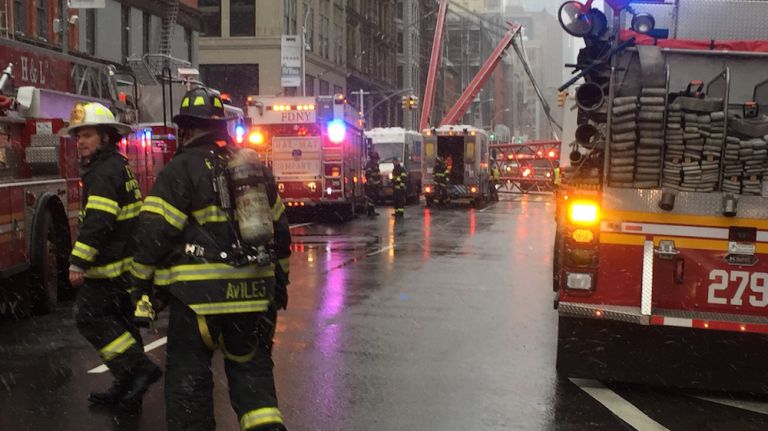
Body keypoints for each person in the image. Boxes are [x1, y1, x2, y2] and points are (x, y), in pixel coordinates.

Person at [130, 87, 291, 431]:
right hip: (254, 295)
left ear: (186, 129)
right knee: (253, 376)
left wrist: (139, 288)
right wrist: (279, 282)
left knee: (189, 379)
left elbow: (154, 234)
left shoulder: (180, 170)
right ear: (222, 126)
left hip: (198, 300)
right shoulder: (252, 169)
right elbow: (280, 232)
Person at [66, 102, 161, 412]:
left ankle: (138, 369)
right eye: (78, 136)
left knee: (89, 317)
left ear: (105, 137)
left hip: (109, 267)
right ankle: (128, 387)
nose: (80, 141)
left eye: (87, 135)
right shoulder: (116, 165)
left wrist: (79, 262)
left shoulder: (103, 172)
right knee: (122, 323)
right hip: (125, 265)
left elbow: (98, 221)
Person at [364, 152, 382, 217]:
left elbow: (378, 174)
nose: (376, 160)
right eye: (375, 159)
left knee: (374, 198)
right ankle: (370, 211)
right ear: (372, 158)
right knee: (371, 199)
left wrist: (379, 183)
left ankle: (372, 211)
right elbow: (368, 175)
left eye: (377, 159)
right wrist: (372, 183)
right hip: (370, 185)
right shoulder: (369, 165)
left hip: (376, 185)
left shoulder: (376, 165)